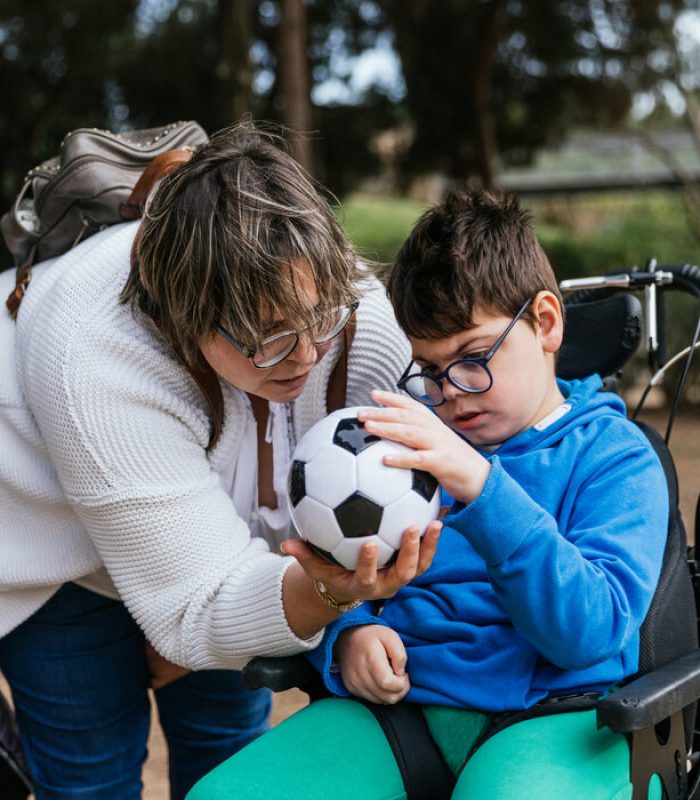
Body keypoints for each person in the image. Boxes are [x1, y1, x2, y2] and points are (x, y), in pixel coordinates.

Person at [0, 121, 441, 800]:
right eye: (267, 339)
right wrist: (321, 594)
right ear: (184, 319)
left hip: (211, 526)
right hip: (48, 541)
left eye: (319, 317)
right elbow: (195, 610)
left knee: (228, 755)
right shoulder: (96, 360)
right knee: (91, 774)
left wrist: (222, 628)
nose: (306, 355)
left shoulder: (354, 318)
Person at [187, 188, 670, 800]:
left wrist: (483, 487)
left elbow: (588, 634)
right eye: (429, 370)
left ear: (545, 323)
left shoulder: (617, 458)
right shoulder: (397, 441)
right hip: (400, 713)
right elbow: (341, 570)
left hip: (557, 714)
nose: (452, 393)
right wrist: (349, 636)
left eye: (473, 359)